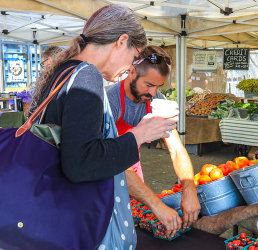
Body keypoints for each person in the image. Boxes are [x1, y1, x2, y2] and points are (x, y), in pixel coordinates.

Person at [30, 4, 183, 249]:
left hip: (48, 214)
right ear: (122, 41)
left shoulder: (63, 72)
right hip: (74, 223)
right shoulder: (87, 77)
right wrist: (139, 135)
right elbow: (81, 164)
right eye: (134, 57)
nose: (129, 68)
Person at [106, 45, 201, 228]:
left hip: (134, 172)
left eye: (158, 86)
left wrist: (189, 189)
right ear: (132, 72)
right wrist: (156, 205)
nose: (153, 93)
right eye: (149, 85)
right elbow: (113, 160)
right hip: (109, 174)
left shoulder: (157, 101)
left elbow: (176, 149)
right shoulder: (111, 101)